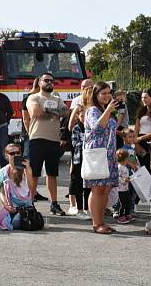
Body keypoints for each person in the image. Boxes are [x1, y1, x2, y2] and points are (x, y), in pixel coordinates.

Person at [26, 72, 70, 215]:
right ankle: (30, 203)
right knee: (35, 174)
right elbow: (36, 113)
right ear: (39, 82)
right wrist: (55, 112)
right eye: (46, 80)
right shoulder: (33, 97)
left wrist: (49, 111)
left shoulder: (57, 98)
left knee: (52, 174)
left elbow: (66, 112)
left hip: (53, 140)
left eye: (52, 80)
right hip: (37, 139)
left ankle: (54, 204)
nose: (49, 82)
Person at [83, 81, 120, 234]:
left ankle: (101, 221)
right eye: (103, 93)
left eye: (108, 93)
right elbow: (97, 128)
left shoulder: (106, 110)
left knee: (106, 188)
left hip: (108, 154)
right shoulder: (93, 110)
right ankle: (96, 223)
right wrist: (108, 111)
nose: (107, 96)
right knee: (97, 189)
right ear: (96, 95)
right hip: (97, 154)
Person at [67, 86, 93, 219]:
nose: (84, 118)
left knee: (87, 185)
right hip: (79, 159)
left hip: (89, 159)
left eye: (86, 116)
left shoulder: (90, 127)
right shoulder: (77, 128)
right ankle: (79, 208)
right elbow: (75, 143)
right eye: (82, 116)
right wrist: (87, 142)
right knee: (77, 183)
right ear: (78, 116)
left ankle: (88, 208)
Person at [0, 165, 34, 231]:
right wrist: (6, 205)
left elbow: (31, 187)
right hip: (12, 209)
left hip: (26, 208)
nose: (14, 155)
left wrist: (28, 169)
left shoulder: (25, 169)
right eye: (11, 154)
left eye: (17, 153)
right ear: (6, 155)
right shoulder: (3, 172)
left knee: (21, 222)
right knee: (15, 222)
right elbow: (2, 192)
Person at [134, 88, 151, 171]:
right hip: (140, 142)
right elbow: (136, 128)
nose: (143, 100)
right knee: (142, 167)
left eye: (146, 97)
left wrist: (141, 138)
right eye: (142, 97)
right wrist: (136, 143)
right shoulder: (141, 111)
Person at [115, 149, 134, 224]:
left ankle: (127, 214)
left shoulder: (125, 167)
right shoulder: (119, 167)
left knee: (127, 202)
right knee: (122, 203)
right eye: (127, 158)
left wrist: (129, 178)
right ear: (124, 159)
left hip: (126, 188)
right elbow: (117, 177)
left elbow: (125, 176)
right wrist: (124, 180)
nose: (128, 160)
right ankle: (120, 216)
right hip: (120, 189)